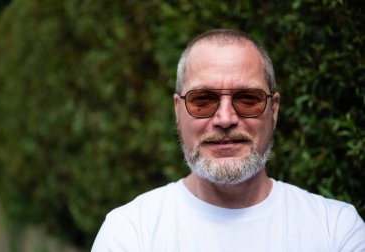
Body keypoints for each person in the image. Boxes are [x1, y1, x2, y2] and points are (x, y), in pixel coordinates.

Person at [91, 29, 365, 251]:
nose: (225, 118)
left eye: (247, 99)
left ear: (274, 109)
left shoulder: (336, 229)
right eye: (202, 100)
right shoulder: (130, 232)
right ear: (178, 111)